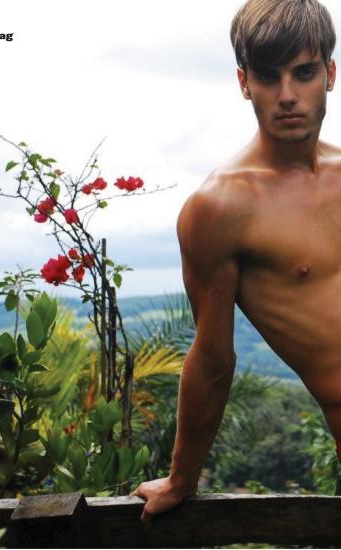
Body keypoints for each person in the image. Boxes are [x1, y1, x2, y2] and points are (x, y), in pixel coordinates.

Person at [132, 0, 340, 521]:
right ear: (245, 82)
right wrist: (182, 478)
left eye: (304, 73)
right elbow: (213, 357)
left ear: (330, 74)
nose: (287, 95)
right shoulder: (221, 207)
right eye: (269, 76)